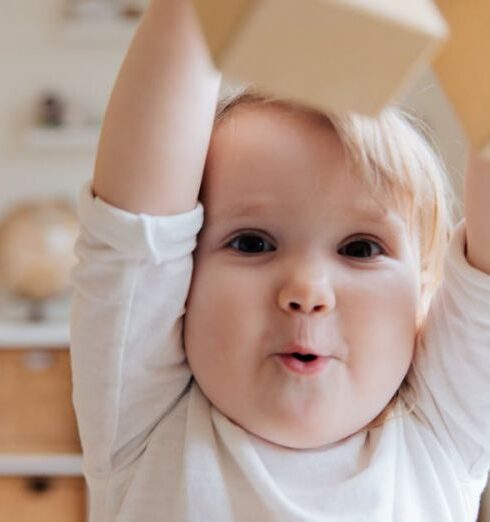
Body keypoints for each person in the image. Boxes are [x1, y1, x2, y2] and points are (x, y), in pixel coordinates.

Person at [69, 0, 490, 520]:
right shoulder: (144, 420)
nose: (308, 290)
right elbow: (136, 232)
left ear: (423, 295)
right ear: (181, 286)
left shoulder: (443, 433)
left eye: (360, 249)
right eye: (252, 243)